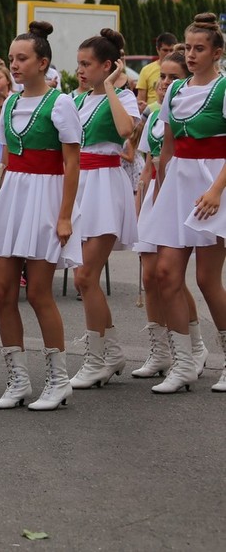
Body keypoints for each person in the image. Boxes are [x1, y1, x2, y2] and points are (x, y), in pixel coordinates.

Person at [0, 21, 81, 411]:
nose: (14, 65)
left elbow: (72, 164)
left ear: (43, 62)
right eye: (12, 58)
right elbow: (4, 161)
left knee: (37, 292)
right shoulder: (12, 102)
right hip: (13, 196)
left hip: (46, 198)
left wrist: (65, 217)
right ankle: (17, 379)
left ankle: (58, 379)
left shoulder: (61, 103)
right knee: (3, 291)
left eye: (22, 59)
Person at [139, 14, 226, 393]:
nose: (191, 54)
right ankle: (184, 363)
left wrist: (216, 191)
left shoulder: (224, 88)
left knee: (207, 280)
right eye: (188, 48)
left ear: (217, 53)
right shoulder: (173, 91)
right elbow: (169, 146)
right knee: (165, 275)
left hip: (213, 186)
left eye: (199, 48)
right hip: (177, 184)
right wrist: (160, 191)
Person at [69, 29, 141, 389]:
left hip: (105, 187)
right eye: (79, 64)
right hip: (81, 187)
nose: (80, 71)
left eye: (87, 64)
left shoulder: (124, 97)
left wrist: (111, 87)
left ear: (108, 66)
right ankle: (109, 352)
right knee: (85, 277)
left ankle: (97, 358)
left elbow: (127, 130)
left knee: (84, 277)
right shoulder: (76, 100)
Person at [130, 50, 208, 380]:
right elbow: (148, 167)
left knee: (172, 276)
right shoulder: (154, 117)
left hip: (182, 192)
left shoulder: (189, 113)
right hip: (156, 197)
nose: (164, 84)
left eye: (172, 78)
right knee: (151, 277)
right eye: (161, 77)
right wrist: (140, 206)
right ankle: (161, 350)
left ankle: (195, 345)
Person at [136, 33, 178, 108]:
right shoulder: (146, 70)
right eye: (165, 50)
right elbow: (141, 100)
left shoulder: (180, 70)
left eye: (171, 50)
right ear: (157, 49)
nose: (168, 53)